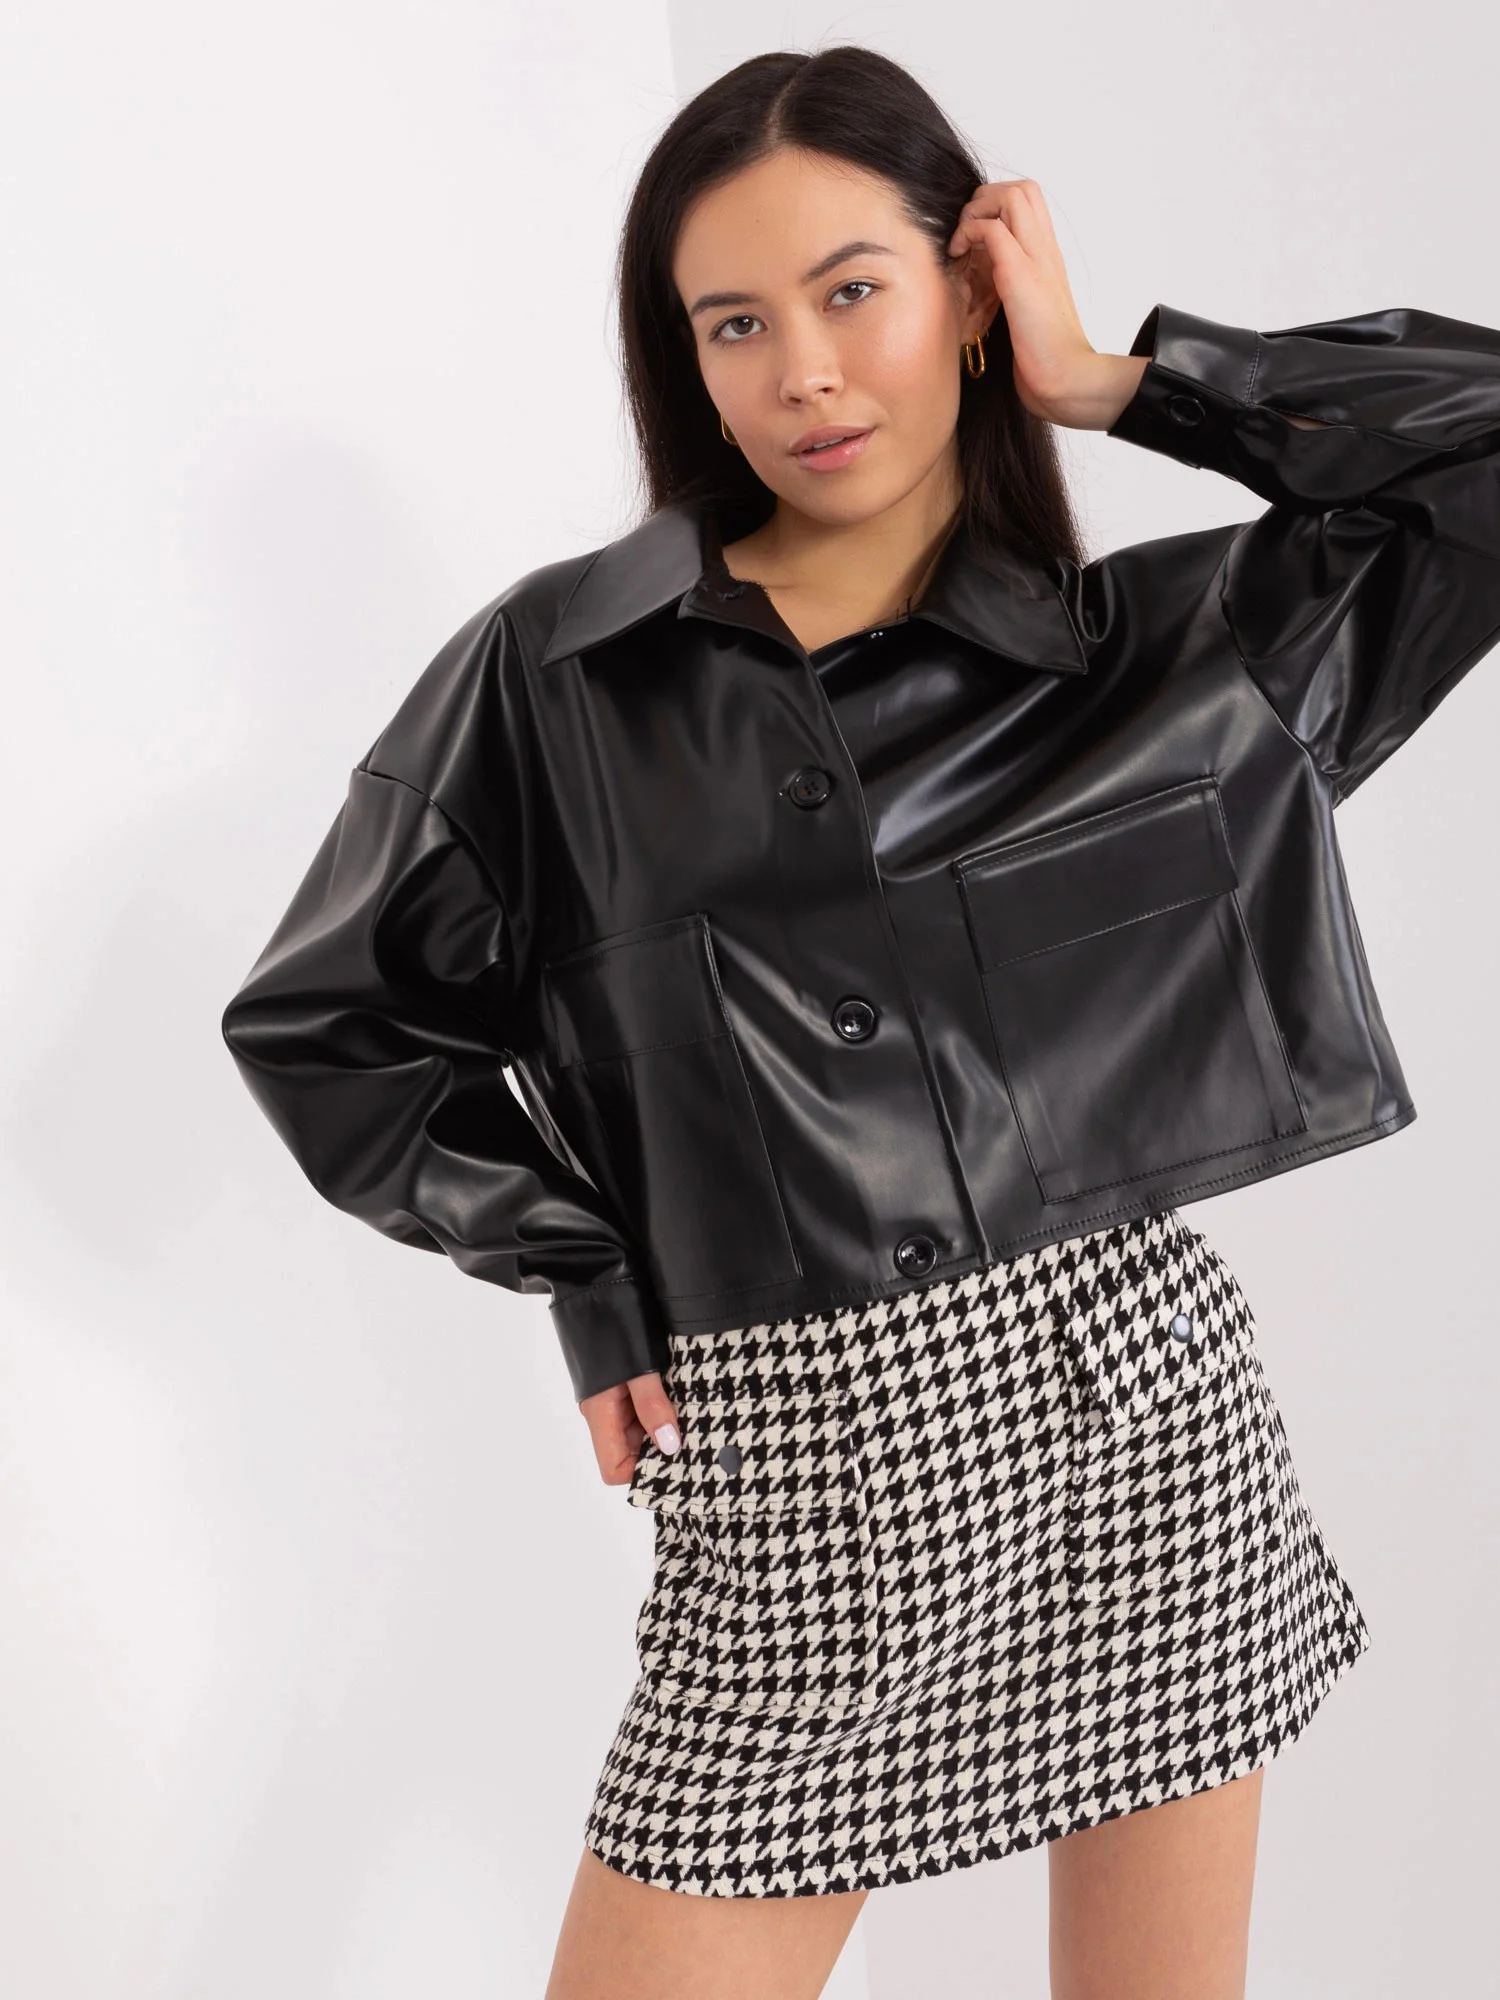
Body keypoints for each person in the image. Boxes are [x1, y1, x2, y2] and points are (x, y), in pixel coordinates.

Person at [220, 44, 1500, 2000]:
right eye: (735, 322)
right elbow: (332, 1019)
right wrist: (584, 1268)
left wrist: (1126, 381)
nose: (802, 370)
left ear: (970, 295)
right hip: (794, 1483)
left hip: (1139, 1430)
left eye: (852, 291)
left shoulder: (1174, 653)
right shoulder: (555, 680)